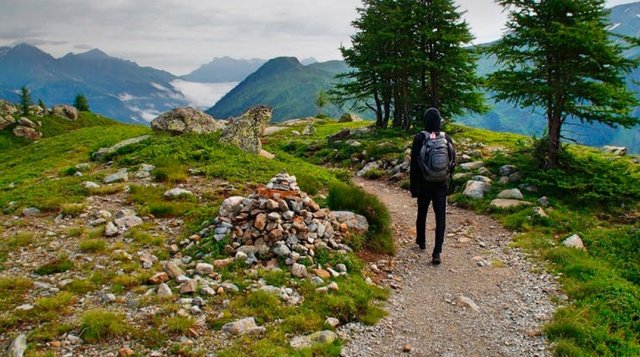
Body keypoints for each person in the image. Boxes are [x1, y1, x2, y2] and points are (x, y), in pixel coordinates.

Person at [410, 108, 456, 265]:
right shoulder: (446, 138)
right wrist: (448, 179)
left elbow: (414, 165)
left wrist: (413, 187)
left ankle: (421, 242)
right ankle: (437, 252)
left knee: (422, 213)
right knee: (440, 217)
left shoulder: (420, 138)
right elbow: (453, 160)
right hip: (441, 184)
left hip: (424, 183)